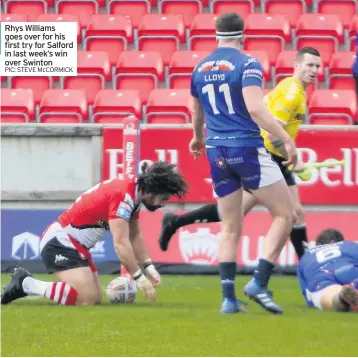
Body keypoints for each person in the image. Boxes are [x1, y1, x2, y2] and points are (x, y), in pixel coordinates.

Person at [159, 47, 322, 263]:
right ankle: (305, 267)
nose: (314, 70)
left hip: (276, 157)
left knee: (292, 212)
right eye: (309, 65)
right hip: (269, 155)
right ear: (297, 66)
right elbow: (273, 136)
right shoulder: (291, 93)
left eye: (317, 66)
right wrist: (295, 160)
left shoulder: (294, 89)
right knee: (251, 214)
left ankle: (306, 264)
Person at [188, 12, 299, 314]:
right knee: (285, 214)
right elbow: (256, 108)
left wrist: (197, 139)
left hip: (216, 151)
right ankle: (259, 282)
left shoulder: (199, 68)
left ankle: (228, 299)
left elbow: (197, 115)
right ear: (242, 35)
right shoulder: (248, 64)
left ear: (216, 34)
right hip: (246, 148)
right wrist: (285, 140)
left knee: (229, 227)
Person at [1, 161, 188, 306]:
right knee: (85, 299)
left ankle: (28, 284)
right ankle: (26, 283)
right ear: (152, 191)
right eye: (163, 198)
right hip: (60, 242)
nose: (163, 203)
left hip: (76, 246)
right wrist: (139, 279)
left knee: (95, 298)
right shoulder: (123, 196)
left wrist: (148, 266)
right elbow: (121, 244)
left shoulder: (134, 193)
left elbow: (135, 236)